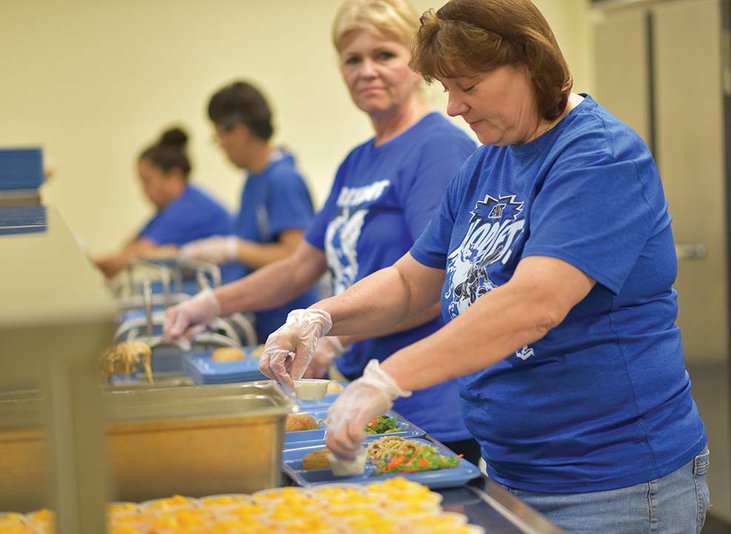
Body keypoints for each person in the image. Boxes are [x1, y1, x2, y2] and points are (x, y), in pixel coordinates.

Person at [258, 0, 710, 532]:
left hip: (613, 485)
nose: (453, 107)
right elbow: (409, 283)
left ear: (529, 64)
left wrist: (386, 379)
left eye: (467, 86)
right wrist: (318, 317)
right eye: (447, 89)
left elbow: (532, 305)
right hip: (511, 470)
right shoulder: (486, 161)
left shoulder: (598, 157)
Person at [164, 0, 480, 462]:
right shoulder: (358, 160)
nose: (367, 71)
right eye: (353, 59)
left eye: (384, 55)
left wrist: (335, 332)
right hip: (360, 394)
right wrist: (211, 304)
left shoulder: (440, 147)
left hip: (426, 405)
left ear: (418, 65)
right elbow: (297, 268)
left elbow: (430, 285)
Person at [179, 81, 318, 339]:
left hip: (289, 324)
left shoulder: (283, 180)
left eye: (219, 136)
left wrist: (233, 249)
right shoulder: (254, 180)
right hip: (263, 318)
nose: (220, 145)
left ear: (240, 131)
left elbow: (297, 255)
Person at [93, 127, 234, 279]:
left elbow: (129, 258)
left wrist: (87, 264)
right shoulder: (169, 209)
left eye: (147, 181)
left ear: (174, 176)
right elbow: (128, 249)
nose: (143, 190)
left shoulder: (189, 208)